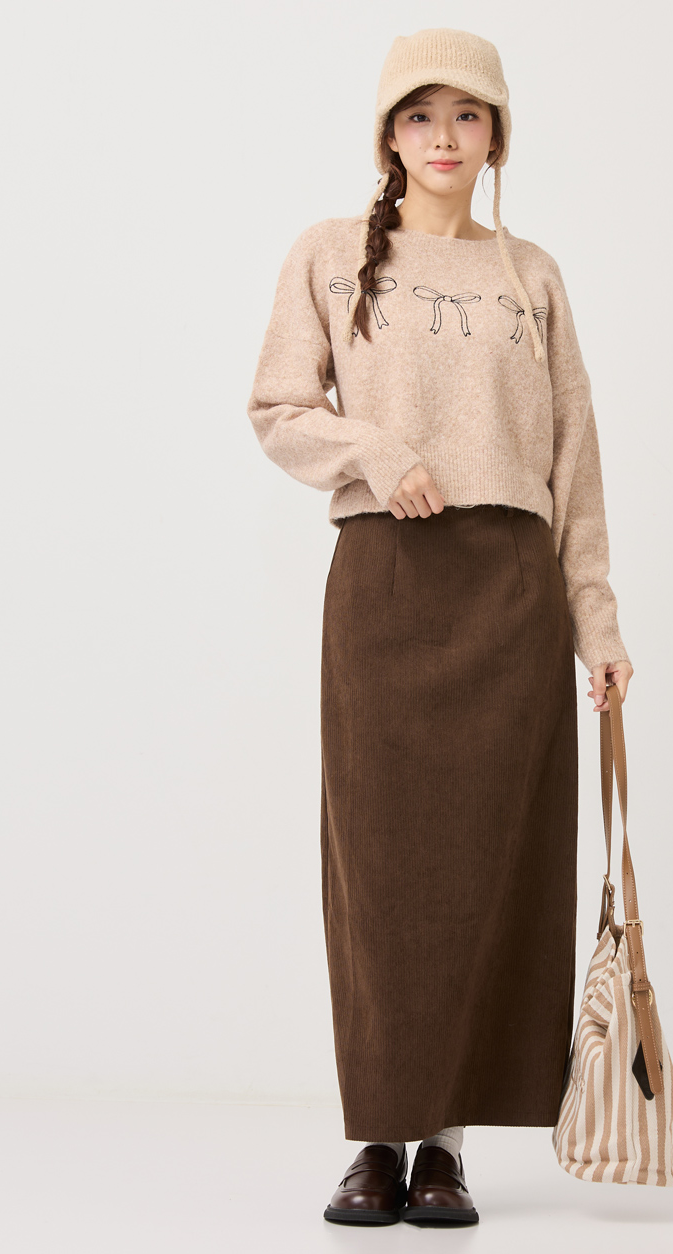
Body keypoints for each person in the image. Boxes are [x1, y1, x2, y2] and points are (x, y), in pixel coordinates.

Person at [246, 27, 633, 1228]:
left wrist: (597, 624)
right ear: (388, 135)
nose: (444, 138)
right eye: (419, 116)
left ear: (497, 134)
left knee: (489, 872)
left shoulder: (533, 275)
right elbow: (277, 407)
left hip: (511, 599)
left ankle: (446, 1151)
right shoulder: (328, 256)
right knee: (380, 875)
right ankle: (376, 1139)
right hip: (386, 587)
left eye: (467, 116)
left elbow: (574, 463)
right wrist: (375, 449)